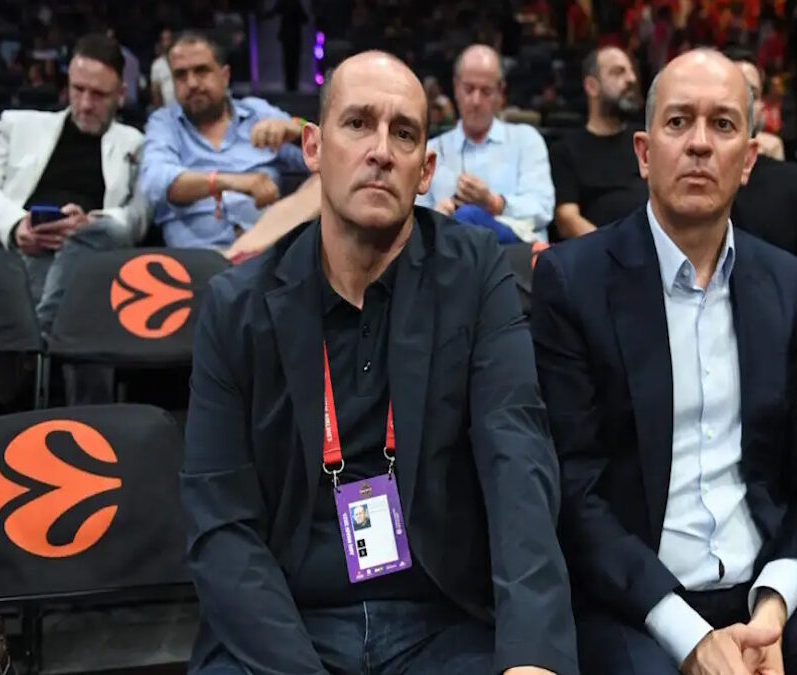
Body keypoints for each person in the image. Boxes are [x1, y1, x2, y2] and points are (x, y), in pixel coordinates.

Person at [531, 48, 797, 675]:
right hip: (636, 604)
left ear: (747, 160)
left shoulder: (786, 283)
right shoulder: (572, 280)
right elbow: (575, 494)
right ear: (643, 153)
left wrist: (772, 610)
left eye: (721, 124)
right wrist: (692, 638)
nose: (699, 143)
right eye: (678, 122)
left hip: (766, 594)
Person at [182, 50, 576, 675]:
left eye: (404, 134)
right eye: (358, 123)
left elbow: (517, 460)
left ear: (426, 171)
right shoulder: (237, 307)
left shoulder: (476, 274)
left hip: (443, 621)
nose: (381, 151)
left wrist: (533, 654)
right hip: (288, 624)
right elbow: (221, 523)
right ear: (313, 148)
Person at [0, 33, 148, 331]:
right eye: (78, 89)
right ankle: (44, 337)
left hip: (85, 261)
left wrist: (90, 223)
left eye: (99, 95)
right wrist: (17, 226)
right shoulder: (21, 126)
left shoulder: (136, 144)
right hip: (15, 254)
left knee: (94, 242)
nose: (85, 104)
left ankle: (38, 336)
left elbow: (138, 217)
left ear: (121, 94)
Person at [139, 30, 308, 250]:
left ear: (225, 76)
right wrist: (230, 182)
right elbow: (155, 182)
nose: (192, 83)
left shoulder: (257, 113)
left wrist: (296, 130)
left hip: (267, 251)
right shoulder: (164, 124)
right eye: (181, 75)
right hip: (199, 259)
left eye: (201, 71)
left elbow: (325, 158)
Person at [727, 47, 797, 335]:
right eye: (729, 87)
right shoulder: (686, 181)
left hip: (789, 342)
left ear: (762, 109)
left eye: (750, 92)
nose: (739, 99)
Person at [417, 44, 554, 243]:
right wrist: (435, 217)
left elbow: (542, 209)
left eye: (486, 91)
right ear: (456, 88)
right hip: (449, 251)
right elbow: (413, 221)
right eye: (468, 89)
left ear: (501, 92)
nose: (476, 101)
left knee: (468, 217)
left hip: (515, 253)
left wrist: (493, 202)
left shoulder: (526, 140)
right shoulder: (432, 150)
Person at [549, 45, 646, 238]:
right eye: (618, 72)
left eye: (631, 71)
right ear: (592, 87)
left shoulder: (647, 139)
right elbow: (567, 219)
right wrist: (610, 248)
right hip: (601, 248)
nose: (631, 79)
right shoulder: (566, 151)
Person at [149, 27, 176, 110]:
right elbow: (155, 91)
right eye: (164, 40)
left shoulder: (182, 61)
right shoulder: (157, 65)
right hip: (167, 109)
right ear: (161, 43)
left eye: (169, 39)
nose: (168, 43)